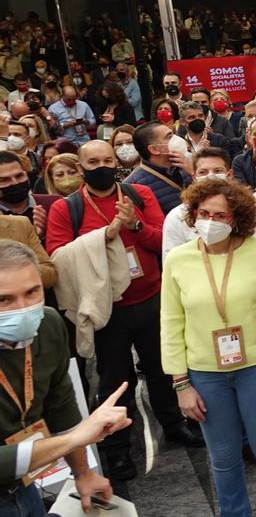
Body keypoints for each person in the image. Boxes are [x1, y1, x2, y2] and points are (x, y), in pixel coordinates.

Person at [45, 140, 203, 481]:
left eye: (107, 159)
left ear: (116, 162)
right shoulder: (66, 208)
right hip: (107, 308)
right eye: (93, 161)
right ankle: (116, 448)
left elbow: (162, 239)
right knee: (116, 380)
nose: (101, 166)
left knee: (163, 369)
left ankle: (175, 424)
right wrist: (104, 235)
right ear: (82, 168)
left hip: (150, 296)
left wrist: (134, 226)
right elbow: (57, 257)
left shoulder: (139, 195)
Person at [160, 178, 256, 516]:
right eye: (204, 213)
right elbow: (171, 323)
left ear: (236, 218)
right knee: (223, 456)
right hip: (204, 374)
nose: (210, 220)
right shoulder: (178, 259)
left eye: (220, 215)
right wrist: (181, 384)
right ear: (192, 214)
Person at [0, 241, 123, 514]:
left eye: (32, 292)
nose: (22, 308)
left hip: (23, 486)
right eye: (4, 299)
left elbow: (61, 404)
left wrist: (83, 472)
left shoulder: (49, 324)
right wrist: (75, 439)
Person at [162, 147, 234, 256]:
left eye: (217, 171)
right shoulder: (177, 216)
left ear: (229, 175)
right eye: (203, 172)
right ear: (194, 177)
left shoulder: (252, 207)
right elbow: (171, 260)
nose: (211, 176)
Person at [125, 121, 193, 214]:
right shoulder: (133, 186)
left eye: (174, 134)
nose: (176, 139)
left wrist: (194, 173)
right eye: (169, 137)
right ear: (154, 149)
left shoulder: (186, 167)